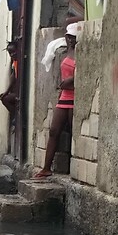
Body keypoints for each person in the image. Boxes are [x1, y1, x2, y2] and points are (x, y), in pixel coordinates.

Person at [35, 25, 78, 179]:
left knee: (74, 132)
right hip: (64, 96)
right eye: (69, 37)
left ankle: (75, 170)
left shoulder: (81, 52)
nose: (70, 40)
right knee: (54, 131)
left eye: (73, 37)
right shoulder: (64, 50)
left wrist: (70, 81)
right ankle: (46, 168)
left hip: (74, 97)